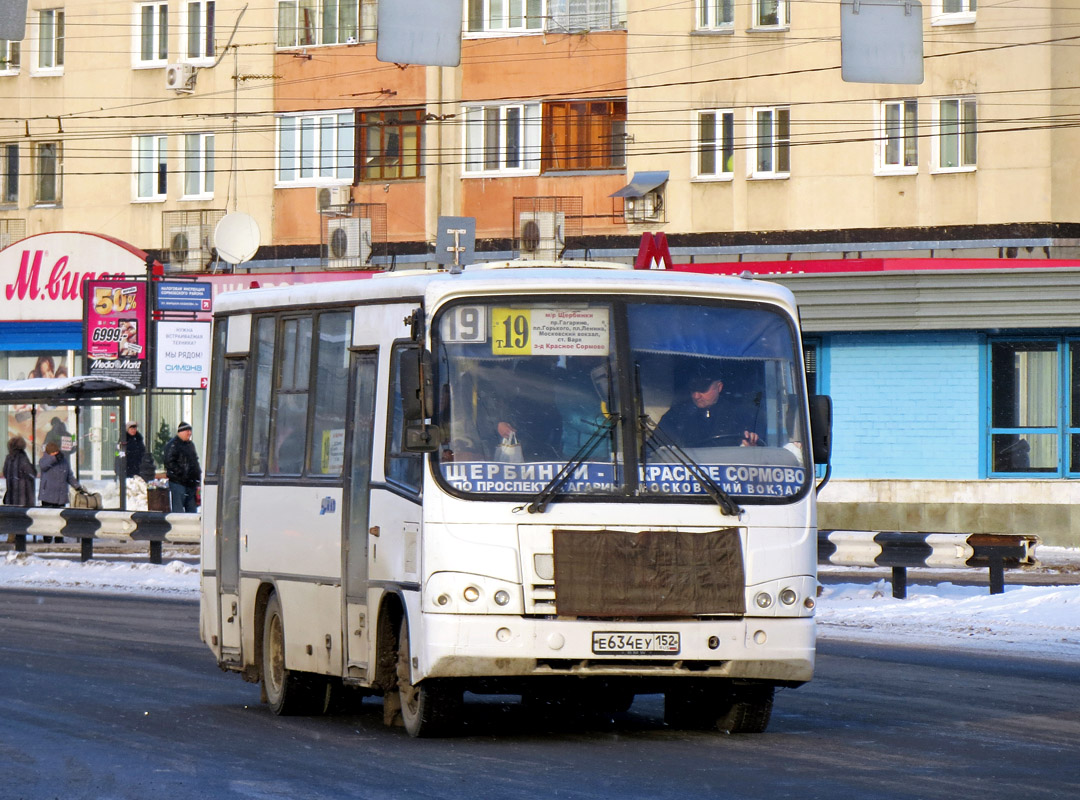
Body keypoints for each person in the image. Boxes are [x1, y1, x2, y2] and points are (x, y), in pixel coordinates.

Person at [657, 372, 761, 449]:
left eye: (702, 389)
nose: (696, 396)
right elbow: (652, 448)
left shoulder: (741, 416)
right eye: (693, 389)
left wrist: (752, 448)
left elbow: (762, 453)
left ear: (719, 387)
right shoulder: (676, 415)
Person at [164, 422, 201, 512]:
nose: (189, 433)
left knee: (192, 511)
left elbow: (194, 461)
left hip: (191, 483)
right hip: (178, 483)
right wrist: (182, 474)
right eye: (187, 431)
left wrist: (197, 475)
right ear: (181, 432)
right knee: (178, 510)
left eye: (190, 431)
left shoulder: (190, 445)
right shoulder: (173, 445)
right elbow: (169, 463)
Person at [39, 441, 84, 515]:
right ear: (49, 453)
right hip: (48, 496)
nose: (56, 454)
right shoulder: (44, 460)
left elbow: (69, 475)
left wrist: (77, 486)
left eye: (57, 452)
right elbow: (44, 466)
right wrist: (54, 458)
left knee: (60, 516)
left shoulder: (63, 460)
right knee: (48, 516)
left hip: (61, 495)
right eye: (53, 452)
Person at [3, 436, 36, 507]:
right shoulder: (22, 457)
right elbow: (31, 473)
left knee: (12, 513)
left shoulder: (8, 458)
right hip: (23, 495)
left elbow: (5, 473)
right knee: (22, 515)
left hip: (11, 493)